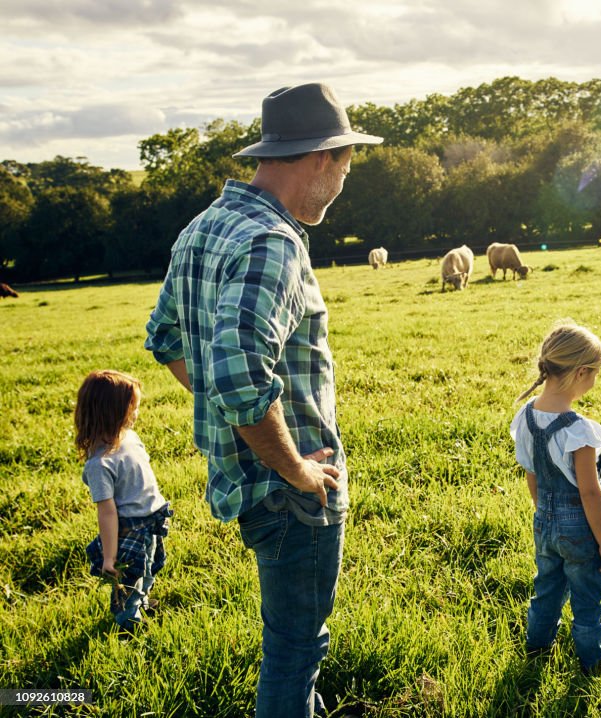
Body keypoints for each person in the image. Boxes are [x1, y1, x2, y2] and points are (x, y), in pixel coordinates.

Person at [144, 83, 382, 717]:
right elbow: (239, 373)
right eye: (347, 164)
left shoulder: (205, 226)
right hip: (290, 493)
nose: (344, 181)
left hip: (245, 479)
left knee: (291, 640)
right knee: (295, 647)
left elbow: (165, 335)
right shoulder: (273, 242)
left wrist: (229, 411)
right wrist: (295, 467)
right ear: (322, 157)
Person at [510, 321, 601, 675]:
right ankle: (592, 665)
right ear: (581, 372)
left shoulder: (525, 417)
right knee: (587, 602)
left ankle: (537, 649)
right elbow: (590, 492)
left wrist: (545, 514)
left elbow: (532, 474)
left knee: (546, 591)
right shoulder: (579, 431)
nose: (594, 381)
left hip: (544, 521)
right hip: (580, 530)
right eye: (595, 374)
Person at [76, 369, 172, 634]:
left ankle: (140, 600)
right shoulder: (99, 464)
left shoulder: (129, 437)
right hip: (131, 526)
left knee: (151, 566)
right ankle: (128, 624)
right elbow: (106, 513)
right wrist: (109, 556)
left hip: (153, 518)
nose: (137, 413)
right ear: (112, 412)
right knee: (130, 578)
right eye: (133, 408)